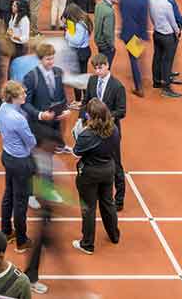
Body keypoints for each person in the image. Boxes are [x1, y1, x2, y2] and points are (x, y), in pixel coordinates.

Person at [71, 98, 121, 255]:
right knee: (108, 203)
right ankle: (114, 235)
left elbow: (76, 151)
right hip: (108, 170)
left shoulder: (87, 135)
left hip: (90, 174)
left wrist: (78, 133)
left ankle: (87, 244)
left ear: (90, 116)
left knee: (89, 208)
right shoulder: (114, 129)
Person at [83, 53, 126, 210]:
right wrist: (83, 117)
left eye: (100, 67)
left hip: (110, 132)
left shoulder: (117, 86)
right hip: (93, 131)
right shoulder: (92, 81)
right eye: (95, 68)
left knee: (115, 165)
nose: (98, 71)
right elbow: (86, 101)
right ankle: (98, 193)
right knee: (94, 162)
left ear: (107, 65)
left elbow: (121, 111)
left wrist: (104, 117)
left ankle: (119, 199)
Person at [0, 80, 36, 253]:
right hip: (21, 162)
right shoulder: (18, 119)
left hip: (7, 156)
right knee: (20, 202)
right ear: (13, 97)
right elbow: (31, 141)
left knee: (8, 194)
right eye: (22, 94)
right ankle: (22, 240)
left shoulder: (2, 109)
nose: (25, 95)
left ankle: (6, 231)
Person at [21, 42, 73, 152]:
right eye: (48, 59)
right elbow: (25, 103)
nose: (51, 62)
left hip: (55, 122)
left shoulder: (58, 72)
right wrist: (40, 115)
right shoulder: (30, 77)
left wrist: (66, 110)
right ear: (40, 59)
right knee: (41, 155)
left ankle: (60, 146)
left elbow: (62, 96)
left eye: (52, 58)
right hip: (39, 126)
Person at [149, 0, 182, 98]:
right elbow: (172, 21)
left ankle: (156, 81)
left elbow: (151, 16)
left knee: (157, 57)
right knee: (167, 61)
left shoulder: (152, 1)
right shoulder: (167, 5)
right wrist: (177, 31)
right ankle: (166, 87)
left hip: (157, 33)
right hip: (168, 35)